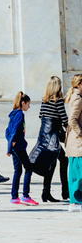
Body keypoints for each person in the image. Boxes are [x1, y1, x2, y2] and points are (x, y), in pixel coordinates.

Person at [31, 75, 70, 202]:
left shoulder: (45, 100)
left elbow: (41, 115)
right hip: (53, 136)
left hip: (44, 135)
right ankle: (64, 191)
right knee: (62, 160)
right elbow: (64, 119)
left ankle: (46, 192)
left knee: (52, 162)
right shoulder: (58, 100)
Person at [6, 91, 37, 205]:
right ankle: (25, 195)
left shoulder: (14, 113)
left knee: (18, 170)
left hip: (15, 147)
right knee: (28, 168)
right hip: (18, 147)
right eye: (28, 104)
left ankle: (14, 197)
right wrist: (10, 147)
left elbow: (7, 131)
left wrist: (10, 146)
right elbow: (13, 131)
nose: (29, 106)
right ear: (23, 103)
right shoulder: (19, 114)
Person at [66, 73, 82, 211]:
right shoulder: (78, 98)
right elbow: (72, 120)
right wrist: (80, 133)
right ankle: (76, 201)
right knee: (78, 173)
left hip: (75, 142)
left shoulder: (75, 96)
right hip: (78, 143)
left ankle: (75, 200)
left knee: (76, 172)